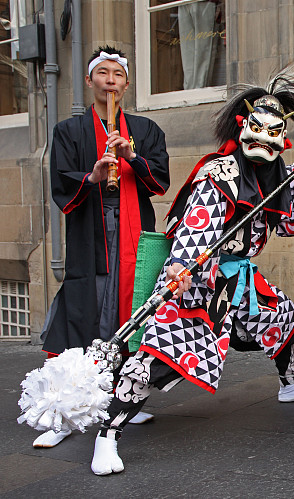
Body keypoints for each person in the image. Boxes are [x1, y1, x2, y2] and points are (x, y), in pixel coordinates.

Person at [90, 74, 294, 475]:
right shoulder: (219, 173)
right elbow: (197, 225)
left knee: (288, 317)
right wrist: (180, 267)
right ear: (243, 128)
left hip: (242, 280)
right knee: (156, 361)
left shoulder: (275, 177)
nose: (266, 142)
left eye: (276, 134)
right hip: (198, 282)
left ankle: (290, 385)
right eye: (258, 130)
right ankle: (107, 435)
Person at [35, 46, 169, 448]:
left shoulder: (145, 131)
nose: (110, 81)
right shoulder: (68, 131)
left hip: (132, 229)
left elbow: (159, 181)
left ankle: (124, 397)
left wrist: (131, 158)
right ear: (91, 80)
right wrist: (92, 176)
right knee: (84, 306)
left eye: (117, 75)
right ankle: (64, 408)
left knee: (130, 306)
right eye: (102, 73)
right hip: (89, 228)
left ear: (126, 84)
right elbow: (62, 182)